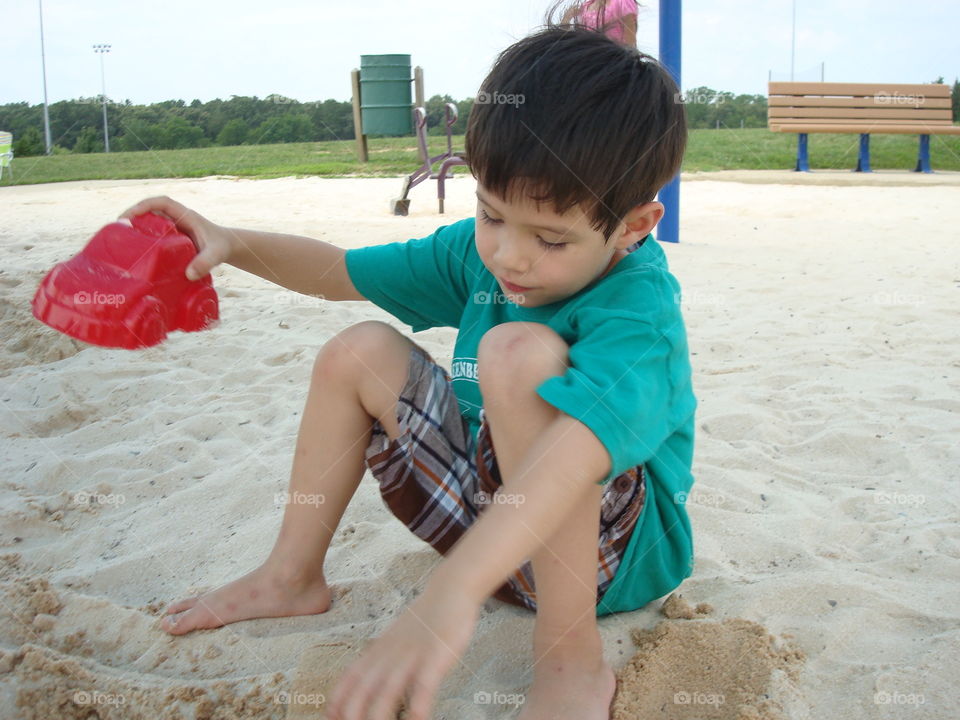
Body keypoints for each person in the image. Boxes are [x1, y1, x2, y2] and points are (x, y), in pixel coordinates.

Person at [121, 23, 694, 720]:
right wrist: (231, 241)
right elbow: (340, 273)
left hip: (611, 557)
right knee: (357, 348)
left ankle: (570, 657)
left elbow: (574, 457)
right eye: (490, 215)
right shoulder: (482, 255)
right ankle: (290, 575)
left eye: (549, 239)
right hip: (493, 534)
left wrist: (451, 591)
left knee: (517, 356)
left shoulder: (641, 312)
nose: (509, 257)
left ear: (634, 227)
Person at [557, 0, 640, 46]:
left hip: (614, 57)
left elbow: (630, 38)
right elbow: (576, 37)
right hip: (590, 56)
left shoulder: (622, 2)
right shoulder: (586, 6)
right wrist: (566, 19)